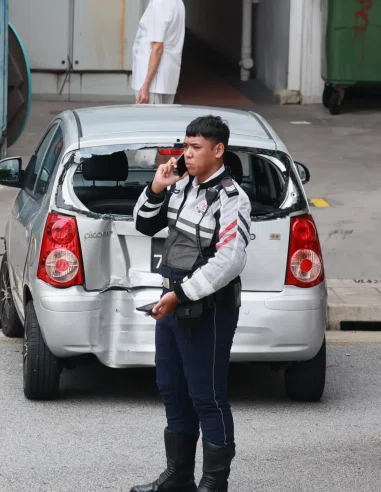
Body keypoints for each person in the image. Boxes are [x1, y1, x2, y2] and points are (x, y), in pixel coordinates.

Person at [130, 115, 250, 492]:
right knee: (171, 387)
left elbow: (230, 260)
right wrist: (156, 187)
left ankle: (214, 484)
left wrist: (180, 295)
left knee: (207, 395)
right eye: (185, 146)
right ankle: (178, 476)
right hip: (171, 301)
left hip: (207, 308)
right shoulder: (182, 187)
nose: (187, 154)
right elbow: (144, 225)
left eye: (196, 147)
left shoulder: (232, 198)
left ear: (218, 150)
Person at [131, 0, 185, 105]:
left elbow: (157, 47)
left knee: (148, 126)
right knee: (162, 125)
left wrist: (145, 85)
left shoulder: (159, 3)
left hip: (153, 83)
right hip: (165, 80)